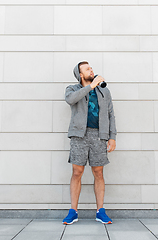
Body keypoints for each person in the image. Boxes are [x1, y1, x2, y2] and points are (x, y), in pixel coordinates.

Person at [62, 61, 117, 225]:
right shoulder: (72, 89)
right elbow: (71, 100)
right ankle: (73, 211)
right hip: (79, 135)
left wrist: (112, 136)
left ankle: (100, 211)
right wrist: (91, 86)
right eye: (87, 69)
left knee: (98, 172)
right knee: (77, 172)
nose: (91, 70)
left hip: (99, 135)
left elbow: (110, 114)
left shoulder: (104, 91)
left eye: (91, 68)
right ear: (80, 74)